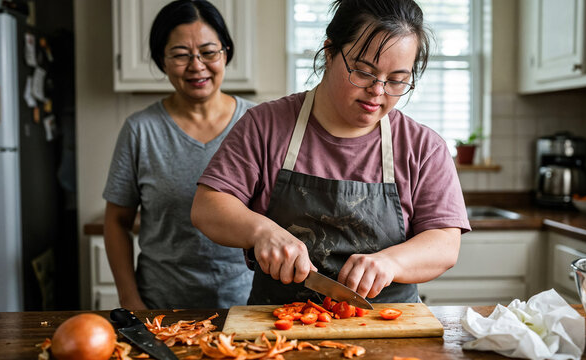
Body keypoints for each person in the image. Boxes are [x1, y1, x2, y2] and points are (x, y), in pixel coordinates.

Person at [191, 0, 471, 305]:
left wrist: (392, 263)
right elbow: (208, 206)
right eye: (364, 73)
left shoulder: (423, 146)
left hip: (389, 332)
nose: (378, 91)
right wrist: (261, 231)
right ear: (329, 51)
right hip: (279, 329)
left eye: (396, 81)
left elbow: (445, 243)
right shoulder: (265, 125)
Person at [103, 0, 254, 309]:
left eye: (209, 52)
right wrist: (130, 301)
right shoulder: (140, 130)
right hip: (162, 304)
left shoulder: (257, 123)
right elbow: (117, 221)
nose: (197, 66)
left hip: (247, 304)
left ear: (226, 51)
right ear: (162, 60)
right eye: (181, 55)